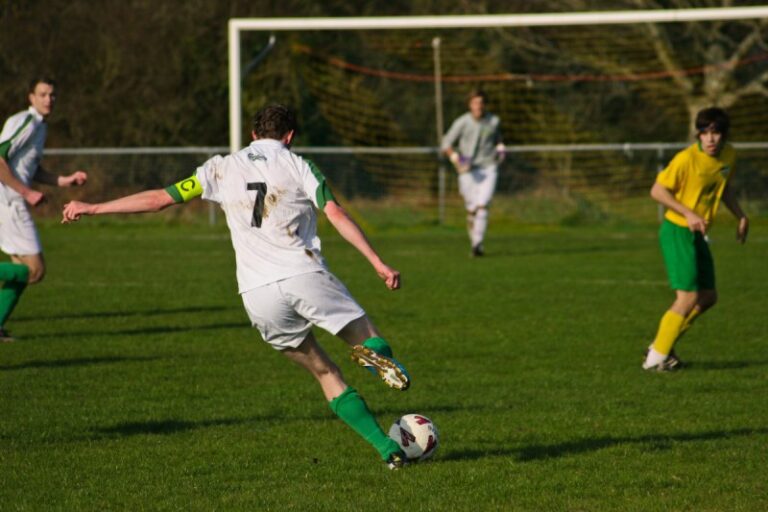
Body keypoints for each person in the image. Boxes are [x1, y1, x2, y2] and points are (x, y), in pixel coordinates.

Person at [62, 104, 411, 468]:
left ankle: (388, 451)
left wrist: (94, 207)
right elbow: (335, 213)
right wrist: (377, 262)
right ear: (289, 136)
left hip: (257, 295)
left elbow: (159, 200)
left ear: (253, 135)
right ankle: (373, 357)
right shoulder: (298, 164)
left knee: (325, 372)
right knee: (365, 334)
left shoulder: (220, 166)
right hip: (301, 274)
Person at [643, 107, 749, 371]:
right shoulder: (686, 159)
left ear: (724, 135)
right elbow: (657, 190)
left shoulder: (729, 155)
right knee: (688, 297)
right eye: (705, 133)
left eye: (716, 133)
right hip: (678, 229)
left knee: (708, 296)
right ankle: (655, 360)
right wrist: (688, 213)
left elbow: (723, 189)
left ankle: (659, 348)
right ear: (699, 135)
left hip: (699, 233)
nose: (711, 139)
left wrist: (741, 216)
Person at [0, 77, 87, 341]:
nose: (49, 99)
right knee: (35, 270)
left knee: (21, 272)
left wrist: (63, 180)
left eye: (52, 94)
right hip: (8, 201)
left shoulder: (40, 127)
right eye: (43, 94)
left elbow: (28, 168)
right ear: (31, 97)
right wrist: (25, 192)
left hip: (12, 199)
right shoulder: (25, 122)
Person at [441, 88, 505, 257]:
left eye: (481, 103)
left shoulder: (493, 121)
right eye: (475, 102)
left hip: (488, 167)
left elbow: (498, 139)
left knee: (483, 205)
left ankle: (477, 244)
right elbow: (446, 143)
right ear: (470, 105)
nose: (479, 106)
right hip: (468, 170)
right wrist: (456, 158)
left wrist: (501, 149)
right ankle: (475, 242)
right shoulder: (462, 122)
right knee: (472, 209)